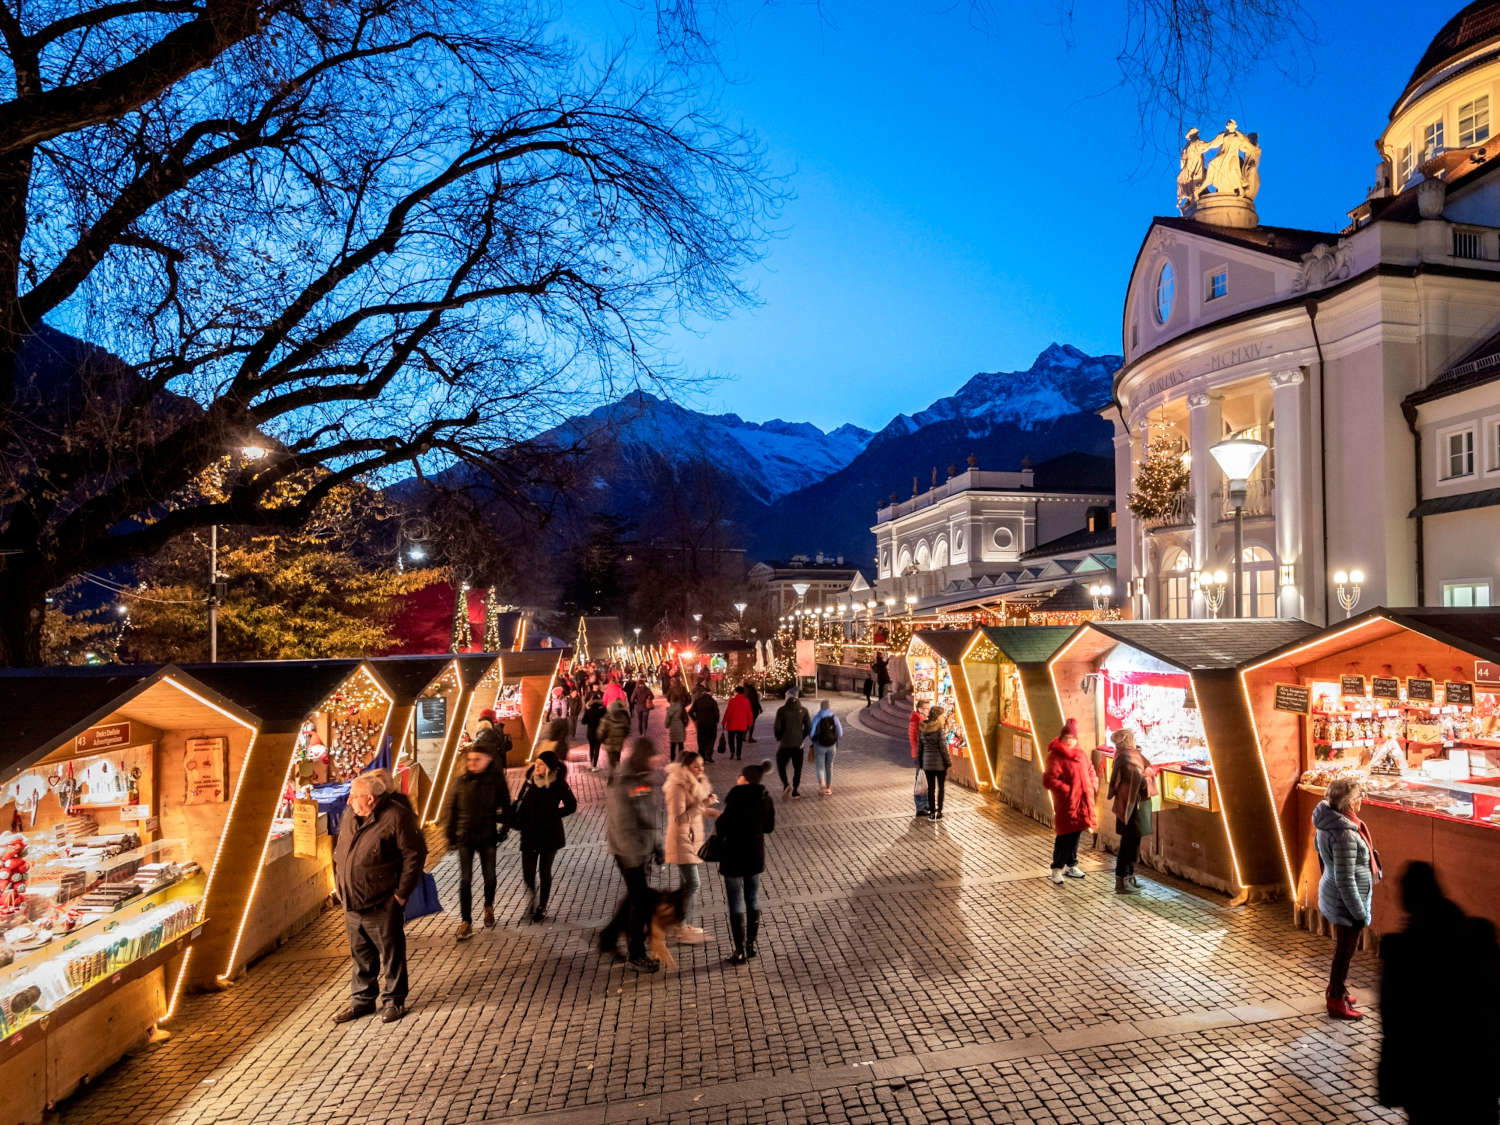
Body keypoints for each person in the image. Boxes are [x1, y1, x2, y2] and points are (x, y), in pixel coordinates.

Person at [1378, 861, 1500, 1123]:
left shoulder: (1402, 953)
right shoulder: (1478, 937)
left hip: (1426, 1076)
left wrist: (1391, 1079)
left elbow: (1394, 1022)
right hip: (1475, 1071)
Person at [332, 770, 426, 1023]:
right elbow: (342, 850)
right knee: (361, 954)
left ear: (371, 799)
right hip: (352, 901)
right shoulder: (351, 816)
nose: (349, 800)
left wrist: (401, 896)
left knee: (391, 953)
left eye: (354, 796)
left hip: (383, 901)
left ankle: (394, 1000)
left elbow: (414, 855)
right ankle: (362, 1000)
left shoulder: (397, 817)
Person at [1314, 776, 1381, 1020]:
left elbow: (1323, 861)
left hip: (1334, 893)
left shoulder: (1327, 823)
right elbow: (1346, 878)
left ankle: (1338, 989)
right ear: (1350, 803)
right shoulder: (1345, 834)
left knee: (1343, 949)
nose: (1362, 800)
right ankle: (1335, 1001)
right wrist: (1359, 912)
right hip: (1347, 901)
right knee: (1345, 951)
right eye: (1359, 797)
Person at [598, 738, 663, 972]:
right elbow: (623, 822)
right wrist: (635, 855)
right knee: (641, 901)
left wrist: (657, 846)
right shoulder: (624, 781)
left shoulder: (641, 777)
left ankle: (607, 938)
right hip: (628, 851)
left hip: (640, 848)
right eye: (654, 756)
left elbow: (649, 817)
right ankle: (636, 953)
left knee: (635, 898)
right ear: (644, 756)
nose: (658, 761)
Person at [445, 744, 511, 940]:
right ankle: (466, 921)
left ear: (488, 760)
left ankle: (488, 906)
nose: (472, 763)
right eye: (470, 760)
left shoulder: (496, 781)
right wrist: (450, 835)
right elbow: (452, 809)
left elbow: (506, 806)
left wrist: (503, 830)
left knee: (489, 875)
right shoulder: (461, 781)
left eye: (477, 760)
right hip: (465, 836)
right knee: (465, 880)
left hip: (487, 836)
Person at [713, 760, 776, 965]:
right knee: (752, 897)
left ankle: (739, 950)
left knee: (735, 901)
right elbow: (768, 827)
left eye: (740, 775)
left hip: (733, 855)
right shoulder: (765, 797)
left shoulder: (735, 796)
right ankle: (751, 946)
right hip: (754, 855)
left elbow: (722, 826)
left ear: (745, 778)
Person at [509, 748, 577, 923]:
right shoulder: (529, 782)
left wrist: (554, 815)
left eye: (541, 764)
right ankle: (532, 899)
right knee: (528, 873)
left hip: (549, 834)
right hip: (529, 833)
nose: (536, 766)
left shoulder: (558, 784)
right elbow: (521, 803)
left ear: (549, 767)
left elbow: (571, 805)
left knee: (545, 871)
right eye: (536, 763)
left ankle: (541, 906)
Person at [663, 751, 719, 944]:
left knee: (686, 884)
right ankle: (677, 924)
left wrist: (714, 812)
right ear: (685, 767)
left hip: (691, 840)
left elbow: (695, 811)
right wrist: (704, 804)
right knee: (693, 884)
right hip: (681, 841)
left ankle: (680, 924)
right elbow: (679, 818)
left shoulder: (693, 785)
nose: (700, 769)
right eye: (696, 766)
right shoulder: (677, 787)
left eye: (702, 765)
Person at [1043, 718, 1097, 884]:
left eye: (1073, 738)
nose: (1070, 741)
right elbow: (1050, 779)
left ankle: (1071, 864)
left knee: (1076, 834)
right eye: (1067, 738)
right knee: (1064, 836)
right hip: (1067, 803)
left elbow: (1090, 770)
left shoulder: (1081, 754)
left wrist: (1093, 785)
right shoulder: (1055, 756)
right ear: (1062, 738)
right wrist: (1068, 791)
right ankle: (1056, 868)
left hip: (1083, 802)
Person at [1106, 729, 1156, 895]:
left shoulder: (1125, 754)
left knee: (1132, 842)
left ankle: (1129, 877)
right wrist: (1149, 774)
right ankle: (1122, 880)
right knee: (1129, 843)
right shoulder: (1128, 757)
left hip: (1129, 805)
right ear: (1129, 740)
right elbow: (1139, 781)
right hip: (1132, 806)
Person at [773, 690, 811, 799]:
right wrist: (802, 737)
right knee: (797, 768)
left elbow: (777, 727)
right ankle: (795, 790)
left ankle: (786, 784)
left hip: (785, 744)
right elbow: (808, 727)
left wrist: (779, 737)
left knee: (781, 764)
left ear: (787, 697)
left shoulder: (782, 710)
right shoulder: (804, 710)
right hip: (798, 745)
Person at [918, 705, 950, 820]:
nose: (944, 717)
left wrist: (920, 763)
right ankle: (939, 811)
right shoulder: (938, 729)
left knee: (931, 789)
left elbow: (920, 747)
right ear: (938, 716)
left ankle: (932, 813)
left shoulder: (922, 727)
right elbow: (942, 748)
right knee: (941, 788)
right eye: (942, 715)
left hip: (927, 763)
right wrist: (948, 761)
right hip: (939, 764)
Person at [807, 699, 843, 796]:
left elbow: (811, 733)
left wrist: (814, 740)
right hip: (832, 746)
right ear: (829, 707)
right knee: (829, 765)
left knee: (820, 766)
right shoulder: (834, 717)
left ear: (821, 707)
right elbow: (840, 733)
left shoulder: (816, 718)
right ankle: (828, 788)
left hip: (819, 746)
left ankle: (821, 783)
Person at [600, 697, 632, 774]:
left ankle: (612, 776)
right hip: (619, 742)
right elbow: (627, 729)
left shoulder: (607, 717)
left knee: (611, 761)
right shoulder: (624, 716)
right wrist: (623, 736)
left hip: (609, 743)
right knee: (617, 757)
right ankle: (617, 772)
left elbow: (601, 732)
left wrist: (602, 739)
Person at [723, 685, 754, 761]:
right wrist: (750, 723)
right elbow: (749, 713)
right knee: (739, 740)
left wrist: (724, 722)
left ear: (736, 692)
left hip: (732, 724)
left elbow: (728, 712)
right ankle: (738, 755)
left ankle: (732, 752)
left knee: (731, 739)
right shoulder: (746, 701)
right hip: (742, 725)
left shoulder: (732, 701)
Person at [690, 688, 720, 763]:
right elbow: (716, 713)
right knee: (711, 740)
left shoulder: (698, 701)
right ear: (709, 693)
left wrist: (696, 719)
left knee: (701, 740)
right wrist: (716, 720)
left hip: (701, 724)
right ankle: (709, 756)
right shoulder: (713, 701)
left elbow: (690, 712)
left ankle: (702, 757)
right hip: (711, 724)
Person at [581, 693, 607, 772]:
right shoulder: (603, 710)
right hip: (599, 732)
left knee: (591, 748)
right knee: (597, 749)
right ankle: (595, 766)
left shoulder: (589, 710)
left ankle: (591, 764)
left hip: (590, 732)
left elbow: (583, 721)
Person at [665, 694, 688, 761]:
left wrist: (667, 725)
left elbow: (667, 720)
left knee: (673, 745)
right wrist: (684, 725)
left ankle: (672, 759)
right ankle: (681, 759)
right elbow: (686, 718)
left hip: (673, 727)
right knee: (681, 744)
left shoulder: (670, 709)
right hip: (680, 726)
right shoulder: (682, 708)